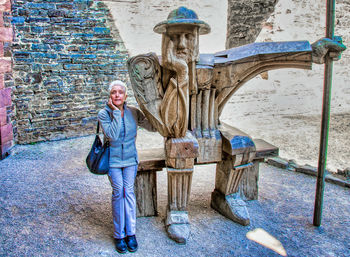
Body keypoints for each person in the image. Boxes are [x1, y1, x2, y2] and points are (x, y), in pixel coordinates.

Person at [98, 80, 156, 253]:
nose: (117, 95)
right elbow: (113, 135)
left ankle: (130, 233)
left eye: (120, 92)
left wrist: (150, 109)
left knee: (128, 192)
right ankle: (119, 235)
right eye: (113, 92)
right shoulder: (103, 114)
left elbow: (152, 126)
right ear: (110, 96)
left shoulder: (133, 112)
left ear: (125, 95)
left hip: (130, 160)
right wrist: (116, 113)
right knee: (119, 192)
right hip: (113, 162)